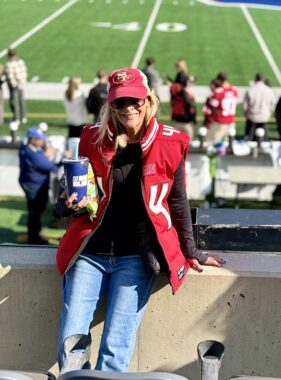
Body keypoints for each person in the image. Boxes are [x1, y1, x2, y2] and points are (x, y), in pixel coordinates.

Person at [55, 67, 224, 373]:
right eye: (120, 102)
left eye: (135, 99)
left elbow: (178, 201)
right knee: (70, 346)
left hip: (135, 257)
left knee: (115, 351)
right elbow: (71, 194)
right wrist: (66, 203)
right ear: (111, 105)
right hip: (90, 255)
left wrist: (191, 250)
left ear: (148, 100)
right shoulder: (92, 138)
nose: (128, 108)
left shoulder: (171, 142)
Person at [19, 127, 66, 244]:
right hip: (34, 186)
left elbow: (43, 161)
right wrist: (64, 158)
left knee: (35, 209)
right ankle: (34, 237)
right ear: (33, 140)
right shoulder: (34, 155)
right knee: (35, 211)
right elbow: (52, 168)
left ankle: (36, 229)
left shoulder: (28, 148)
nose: (42, 141)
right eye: (40, 139)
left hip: (32, 183)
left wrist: (46, 155)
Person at [206, 72, 238, 143]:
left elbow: (212, 108)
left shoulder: (218, 93)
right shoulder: (234, 90)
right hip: (231, 122)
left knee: (212, 144)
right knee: (227, 145)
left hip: (219, 123)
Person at [243, 73, 276, 141]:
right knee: (264, 140)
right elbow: (273, 105)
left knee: (250, 139)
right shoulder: (269, 90)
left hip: (252, 117)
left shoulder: (250, 90)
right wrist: (268, 113)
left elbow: (245, 106)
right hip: (264, 117)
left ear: (255, 79)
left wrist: (247, 114)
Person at [4, 48, 28, 124]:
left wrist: (13, 84)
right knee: (21, 100)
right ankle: (23, 117)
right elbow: (25, 71)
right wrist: (22, 82)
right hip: (21, 84)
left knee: (15, 102)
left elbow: (10, 76)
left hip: (14, 85)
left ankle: (17, 118)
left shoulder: (9, 64)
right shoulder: (20, 61)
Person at [170, 74, 197, 139]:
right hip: (187, 123)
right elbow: (192, 108)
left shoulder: (176, 94)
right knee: (188, 144)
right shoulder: (187, 96)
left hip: (177, 122)